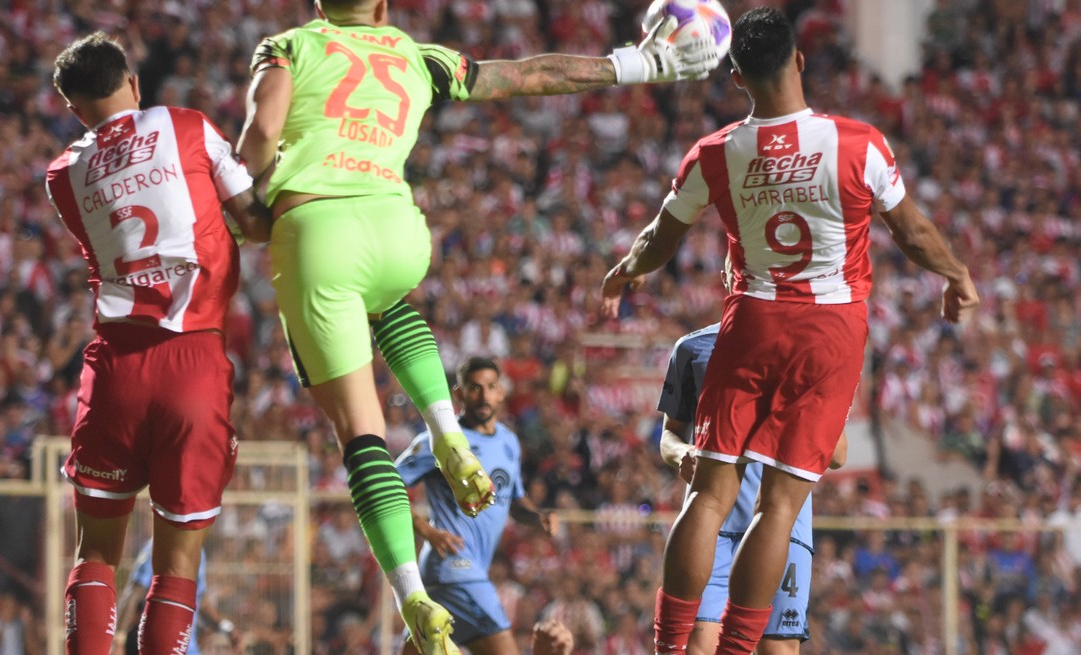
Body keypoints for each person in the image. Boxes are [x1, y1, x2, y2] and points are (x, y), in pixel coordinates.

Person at [238, 1, 720, 651]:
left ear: (321, 5)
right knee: (386, 304)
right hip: (397, 229)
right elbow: (527, 75)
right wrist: (643, 63)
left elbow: (261, 133)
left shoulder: (289, 46)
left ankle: (412, 595)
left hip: (317, 227)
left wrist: (245, 195)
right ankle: (446, 430)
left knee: (362, 435)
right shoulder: (414, 53)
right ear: (380, 7)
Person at [599, 8, 977, 654]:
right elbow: (912, 231)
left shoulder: (716, 152)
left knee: (709, 494)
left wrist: (625, 271)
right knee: (779, 505)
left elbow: (660, 236)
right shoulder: (859, 144)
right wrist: (955, 274)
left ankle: (667, 645)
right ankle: (738, 648)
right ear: (800, 61)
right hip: (830, 333)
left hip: (751, 320)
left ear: (736, 77)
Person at [44, 33, 264, 655]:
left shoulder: (63, 174)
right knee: (177, 564)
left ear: (73, 108)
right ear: (134, 84)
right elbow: (253, 220)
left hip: (116, 367)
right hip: (194, 362)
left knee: (96, 555)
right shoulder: (187, 125)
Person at [659, 317, 847, 655]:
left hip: (782, 524)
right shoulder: (693, 348)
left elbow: (838, 454)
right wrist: (682, 452)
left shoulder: (808, 348)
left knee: (776, 649)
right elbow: (669, 435)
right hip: (712, 525)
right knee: (700, 645)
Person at [395, 357, 557, 655]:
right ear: (459, 394)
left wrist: (537, 517)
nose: (484, 396)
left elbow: (514, 500)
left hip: (452, 574)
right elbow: (387, 485)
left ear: (501, 392)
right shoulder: (441, 440)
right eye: (474, 388)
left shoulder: (509, 441)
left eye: (491, 387)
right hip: (456, 566)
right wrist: (427, 531)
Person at [113, 541, 237, 655]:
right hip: (160, 646)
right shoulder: (157, 546)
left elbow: (200, 601)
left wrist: (226, 628)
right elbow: (134, 593)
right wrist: (119, 638)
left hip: (188, 648)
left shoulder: (199, 551)